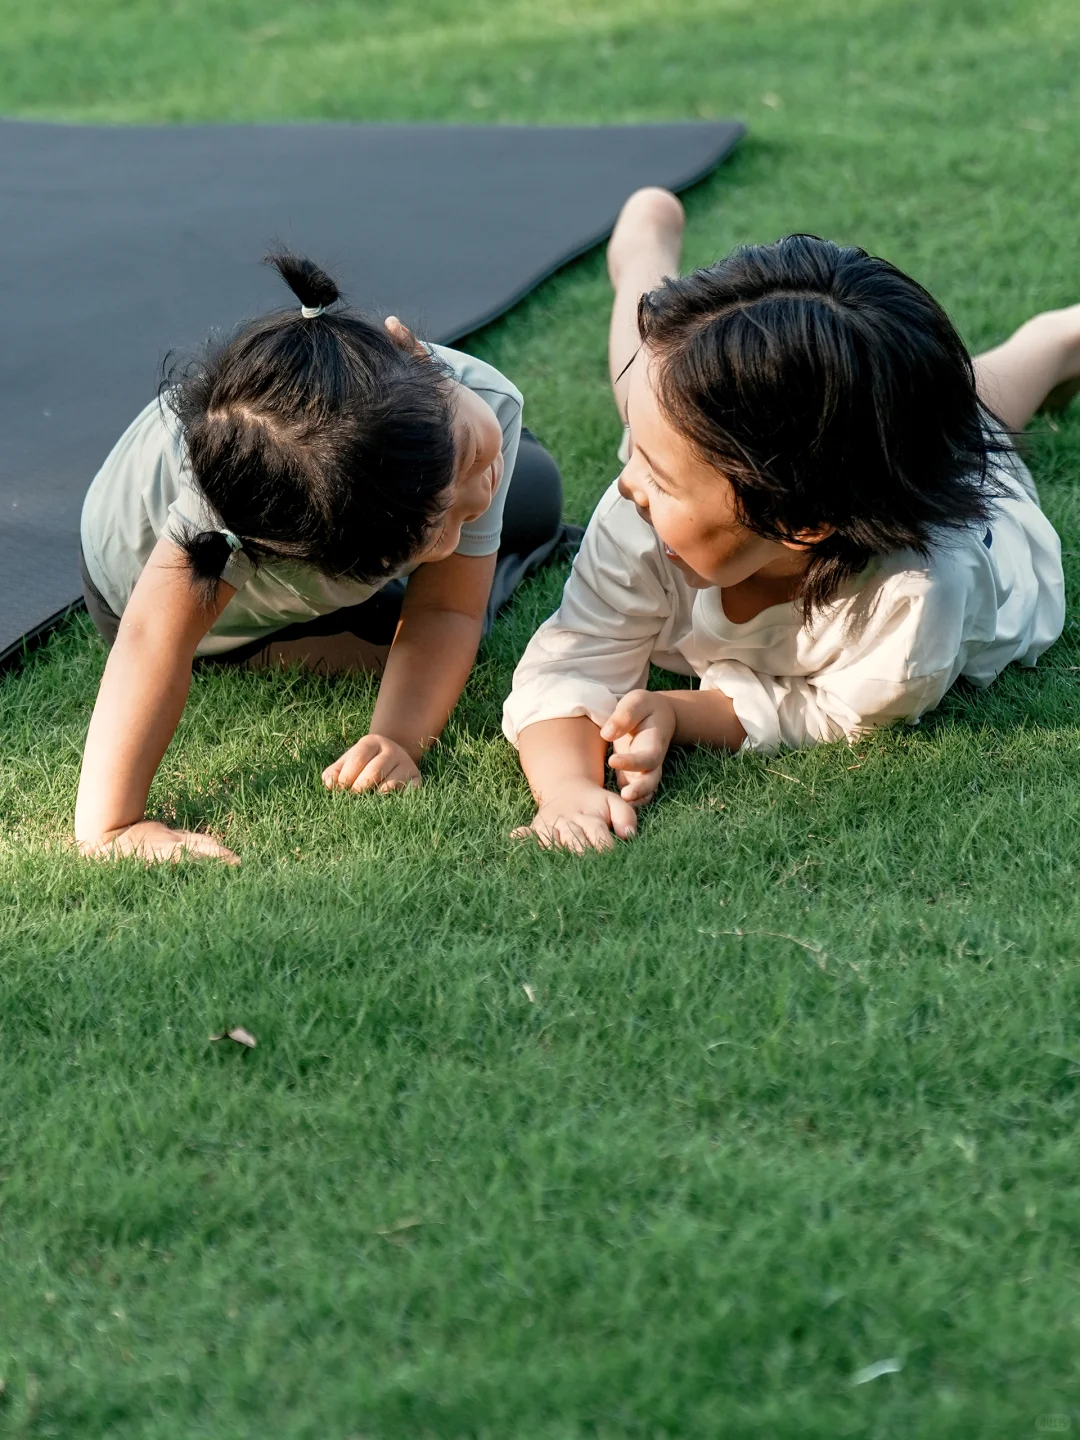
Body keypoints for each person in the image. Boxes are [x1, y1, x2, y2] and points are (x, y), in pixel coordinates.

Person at [503, 188, 1070, 852]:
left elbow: (830, 709)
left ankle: (1059, 337)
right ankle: (641, 260)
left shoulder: (914, 608)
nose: (627, 484)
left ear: (799, 523)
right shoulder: (646, 510)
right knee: (645, 387)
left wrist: (683, 713)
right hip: (844, 463)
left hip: (975, 513)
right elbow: (576, 658)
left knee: (982, 416)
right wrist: (567, 788)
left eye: (658, 473)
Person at [76, 252, 570, 863]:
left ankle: (448, 524)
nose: (481, 488)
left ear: (413, 351)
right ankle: (274, 636)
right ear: (323, 563)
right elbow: (152, 637)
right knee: (406, 642)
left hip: (345, 507)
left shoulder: (479, 397)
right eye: (438, 519)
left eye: (467, 449)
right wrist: (113, 827)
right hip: (131, 590)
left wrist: (397, 738)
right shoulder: (237, 509)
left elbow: (447, 612)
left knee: (537, 493)